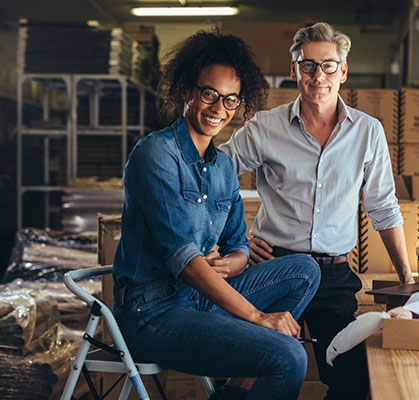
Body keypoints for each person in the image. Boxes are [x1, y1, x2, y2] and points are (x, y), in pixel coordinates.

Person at [111, 31, 321, 400]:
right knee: (288, 356)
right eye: (209, 94)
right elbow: (186, 260)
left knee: (305, 270)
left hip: (199, 298)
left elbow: (238, 244)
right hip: (152, 312)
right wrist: (257, 318)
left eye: (230, 100)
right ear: (187, 91)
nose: (218, 108)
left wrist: (230, 263)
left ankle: (236, 390)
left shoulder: (223, 165)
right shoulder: (156, 155)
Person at [220, 22, 414, 400]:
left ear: (342, 71)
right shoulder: (265, 127)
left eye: (328, 65)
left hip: (333, 273)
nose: (317, 75)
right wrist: (238, 241)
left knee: (353, 378)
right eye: (307, 65)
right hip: (274, 267)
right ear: (294, 71)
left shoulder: (367, 132)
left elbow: (383, 207)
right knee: (254, 373)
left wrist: (406, 277)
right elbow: (213, 177)